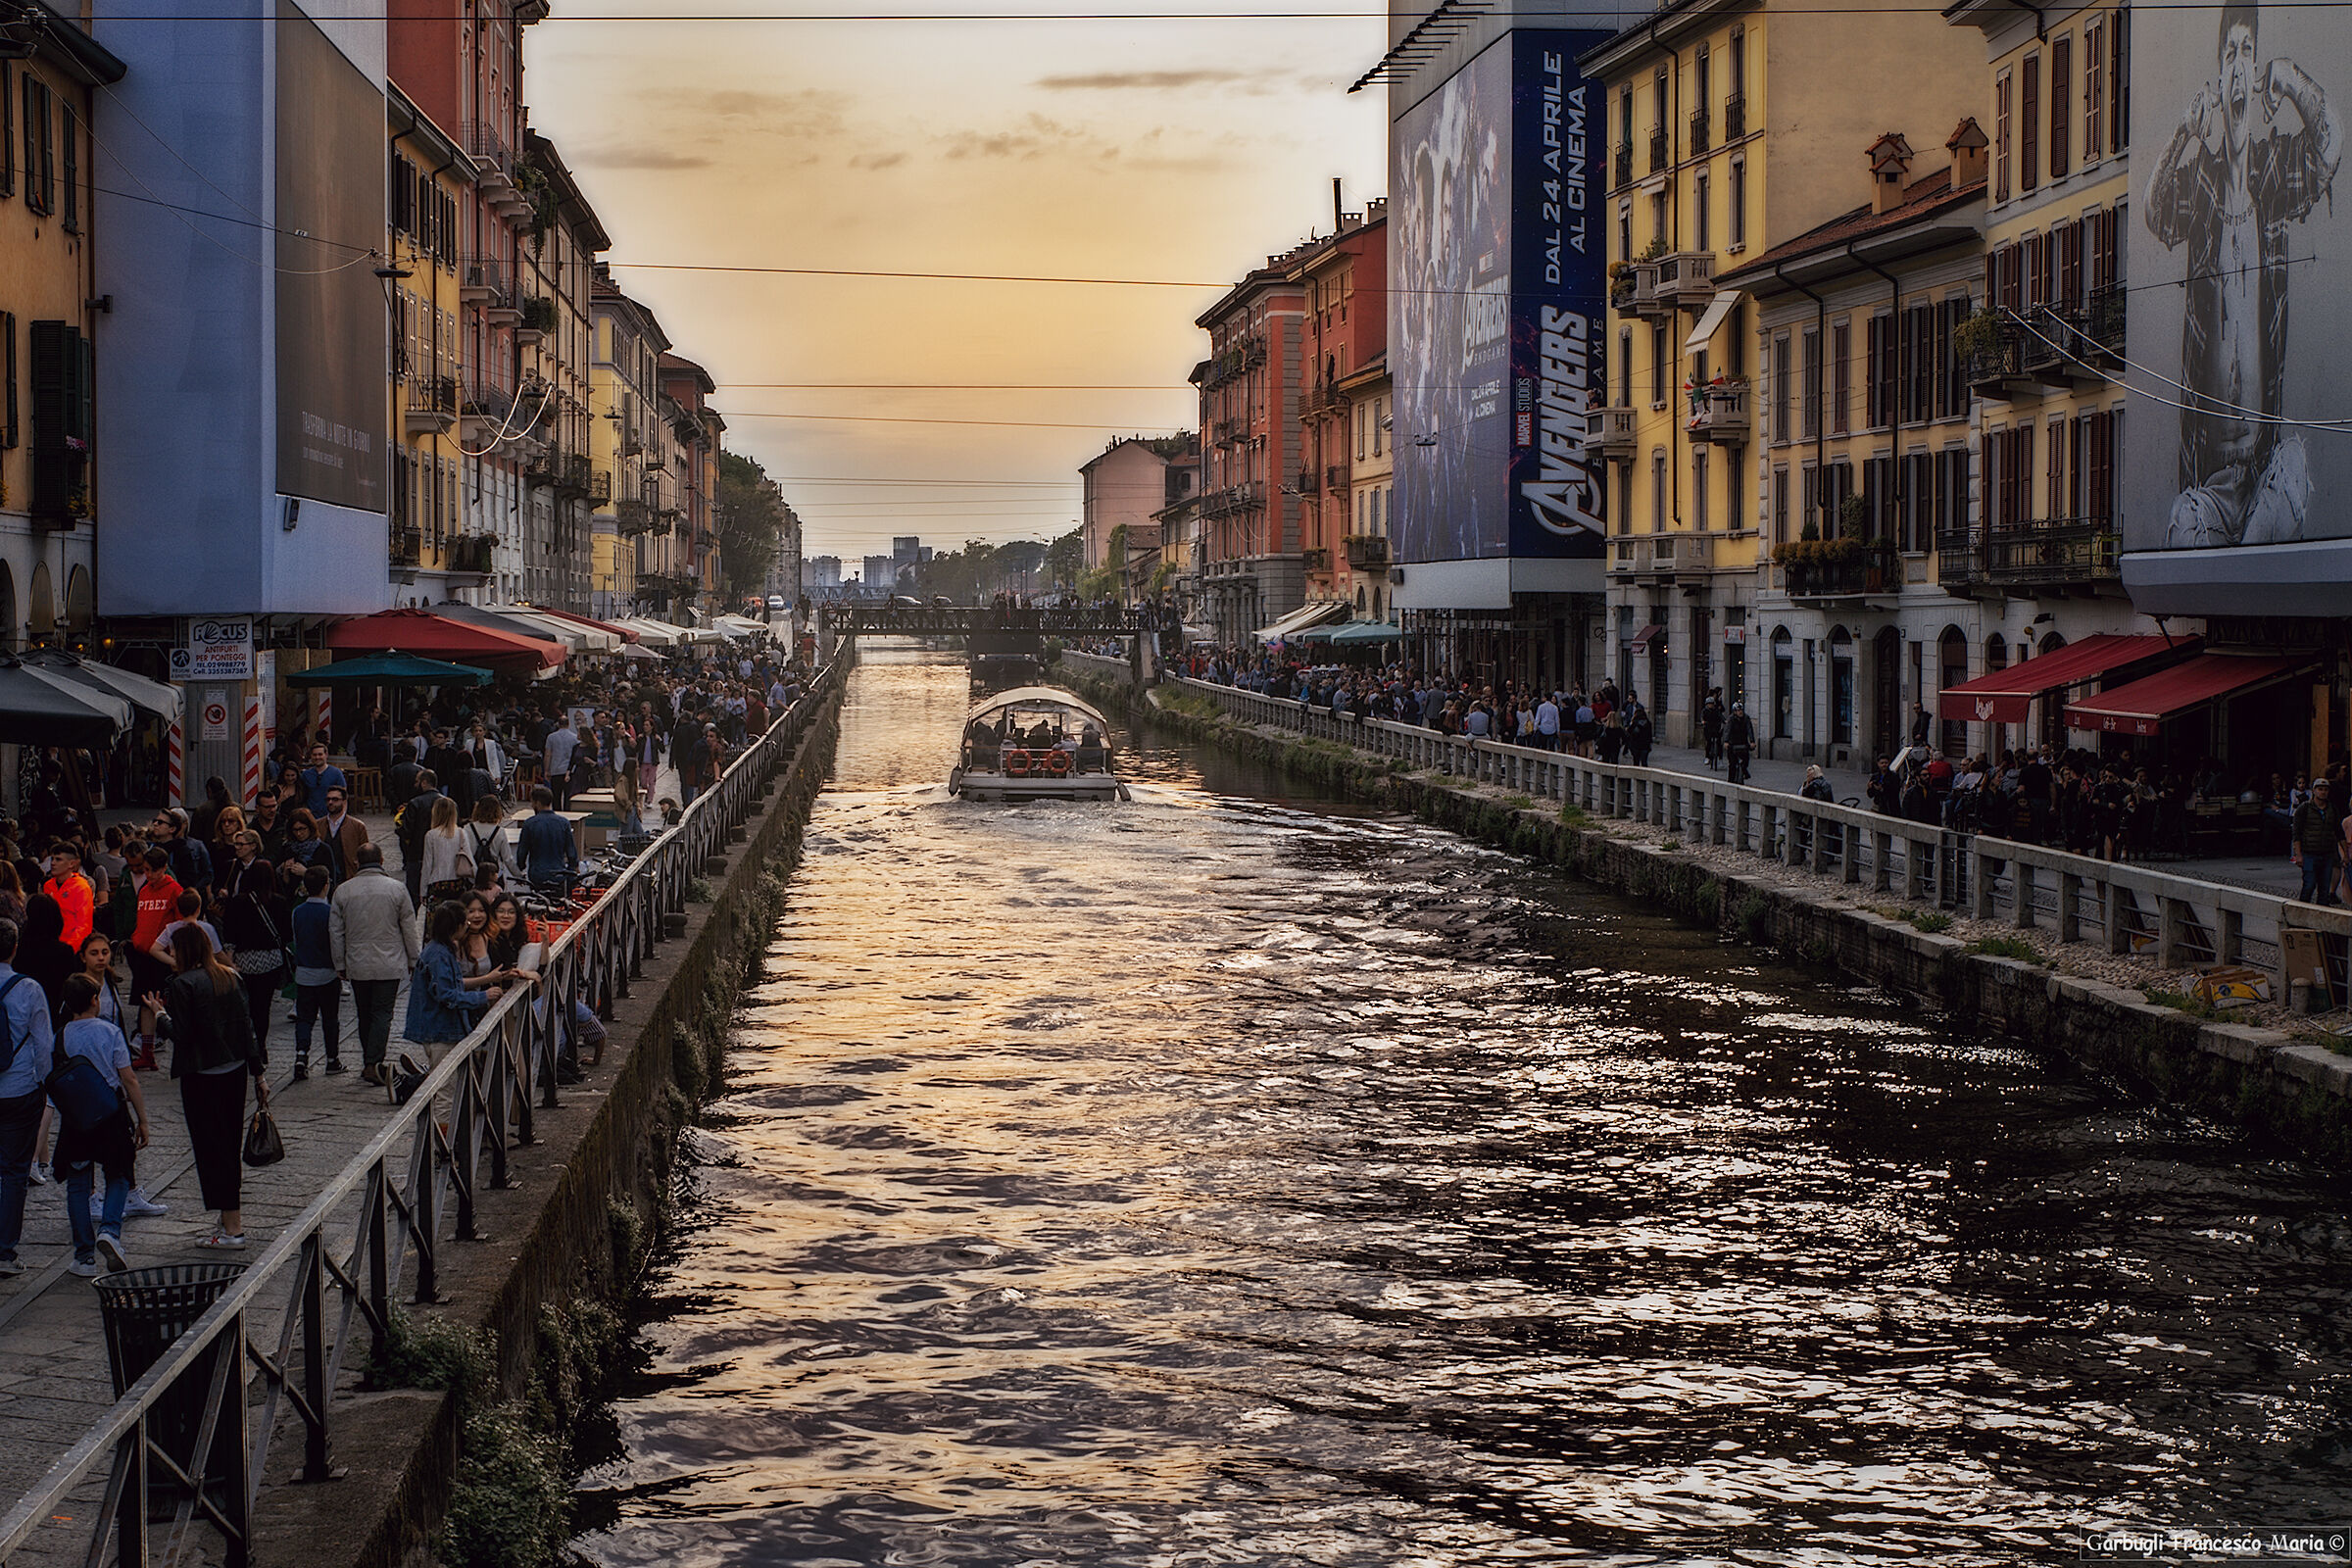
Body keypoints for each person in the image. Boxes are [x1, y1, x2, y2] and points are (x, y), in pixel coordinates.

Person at [2145, 2, 2341, 548]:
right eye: (2229, 53)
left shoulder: (2273, 173)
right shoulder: (2201, 187)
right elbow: (2154, 211)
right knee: (2183, 523)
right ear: (2218, 73)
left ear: (2253, 79)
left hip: (2262, 475)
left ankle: (2251, 557)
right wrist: (2184, 132)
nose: (2237, 66)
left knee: (2296, 463)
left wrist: (2292, 79)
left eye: (2246, 53)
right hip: (2210, 481)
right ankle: (2241, 558)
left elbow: (2328, 150)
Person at [142, 924, 266, 1249]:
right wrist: (259, 1074)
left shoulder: (183, 985)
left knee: (211, 1150)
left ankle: (232, 1227)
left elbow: (182, 1034)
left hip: (202, 1075)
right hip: (234, 1070)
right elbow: (247, 1027)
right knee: (227, 1144)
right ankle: (230, 1216)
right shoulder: (230, 977)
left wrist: (160, 1015)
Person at [52, 972, 149, 1277]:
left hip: (77, 1118)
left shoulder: (62, 1035)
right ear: (95, 1000)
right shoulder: (109, 1032)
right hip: (110, 1113)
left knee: (79, 1183)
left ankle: (83, 1255)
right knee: (118, 1173)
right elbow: (128, 1078)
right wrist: (142, 1119)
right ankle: (110, 1230)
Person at [329, 845, 421, 1087]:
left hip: (358, 962)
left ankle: (369, 1061)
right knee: (382, 1013)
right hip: (389, 962)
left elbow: (336, 932)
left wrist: (339, 961)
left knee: (364, 1012)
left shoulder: (343, 891)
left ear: (357, 862)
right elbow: (409, 929)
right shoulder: (397, 890)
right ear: (381, 860)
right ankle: (373, 1062)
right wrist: (414, 959)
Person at [398, 901, 504, 1091]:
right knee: (446, 1091)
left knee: (448, 1087)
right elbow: (447, 995)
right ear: (457, 926)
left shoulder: (441, 950)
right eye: (466, 923)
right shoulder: (439, 955)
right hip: (440, 1030)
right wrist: (482, 996)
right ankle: (442, 1121)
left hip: (442, 1029)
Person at [0, 917, 54, 1276]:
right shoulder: (29, 989)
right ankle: (5, 1251)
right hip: (18, 1089)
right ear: (15, 948)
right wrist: (46, 1086)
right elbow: (43, 1045)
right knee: (14, 1171)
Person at [220, 829, 286, 1063]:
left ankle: (247, 1045)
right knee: (263, 1006)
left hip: (245, 961)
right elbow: (285, 933)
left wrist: (229, 957)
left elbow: (230, 933)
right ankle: (262, 1045)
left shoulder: (238, 903)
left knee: (245, 1006)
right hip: (271, 960)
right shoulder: (279, 903)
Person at [288, 864, 342, 1078]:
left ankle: (301, 1054)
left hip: (304, 972)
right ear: (326, 886)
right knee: (330, 1018)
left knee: (305, 1018)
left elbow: (296, 939)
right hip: (327, 973)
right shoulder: (331, 913)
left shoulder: (297, 912)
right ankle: (332, 1059)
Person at [516, 785, 578, 895]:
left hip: (537, 874)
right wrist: (572, 869)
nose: (532, 805)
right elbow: (571, 852)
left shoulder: (529, 824)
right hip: (559, 873)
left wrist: (521, 867)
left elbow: (522, 852)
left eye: (532, 802)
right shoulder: (564, 823)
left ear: (537, 803)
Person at [2290, 777, 2341, 906]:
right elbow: (2297, 833)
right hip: (2309, 853)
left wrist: (2344, 853)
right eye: (2320, 789)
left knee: (2324, 889)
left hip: (2327, 853)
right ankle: (2301, 913)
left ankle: (2321, 920)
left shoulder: (2332, 809)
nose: (2323, 792)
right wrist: (2298, 855)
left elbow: (2339, 832)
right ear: (2314, 791)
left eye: (2325, 790)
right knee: (2309, 885)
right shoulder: (2304, 808)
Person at [417, 796, 472, 906]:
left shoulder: (431, 835)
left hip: (437, 882)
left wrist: (423, 890)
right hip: (457, 882)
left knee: (437, 919)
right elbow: (469, 858)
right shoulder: (461, 833)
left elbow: (427, 865)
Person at [42, 841, 95, 952]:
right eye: (52, 859)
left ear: (71, 864)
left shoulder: (81, 888)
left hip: (70, 948)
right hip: (49, 946)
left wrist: (69, 949)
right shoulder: (48, 886)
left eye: (58, 859)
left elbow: (84, 926)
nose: (53, 863)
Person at [465, 797, 517, 891]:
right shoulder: (499, 831)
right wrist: (518, 875)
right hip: (494, 875)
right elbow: (508, 859)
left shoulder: (468, 829)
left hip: (473, 877)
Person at [299, 743, 347, 817]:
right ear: (311, 756)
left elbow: (344, 796)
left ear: (326, 755)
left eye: (320, 754)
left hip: (330, 815)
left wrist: (342, 816)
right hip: (311, 816)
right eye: (314, 755)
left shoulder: (336, 773)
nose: (317, 757)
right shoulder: (306, 774)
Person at [543, 712, 579, 811]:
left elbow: (548, 754)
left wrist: (546, 770)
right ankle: (568, 815)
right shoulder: (575, 738)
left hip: (556, 769)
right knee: (568, 796)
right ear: (569, 724)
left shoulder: (551, 737)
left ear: (558, 724)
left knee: (556, 796)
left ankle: (557, 812)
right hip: (569, 771)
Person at [1724, 703, 1756, 786]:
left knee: (1745, 760)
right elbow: (1727, 730)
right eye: (1738, 710)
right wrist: (1726, 741)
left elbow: (1749, 730)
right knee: (1732, 764)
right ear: (1734, 712)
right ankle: (1730, 782)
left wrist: (1752, 741)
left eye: (1741, 710)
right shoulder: (1731, 719)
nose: (1740, 712)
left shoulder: (1746, 718)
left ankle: (1744, 770)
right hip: (1733, 743)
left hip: (1743, 742)